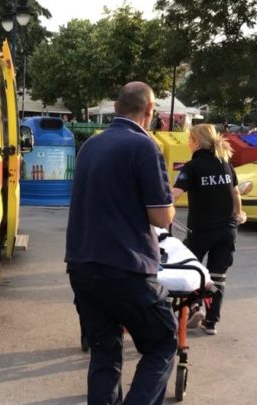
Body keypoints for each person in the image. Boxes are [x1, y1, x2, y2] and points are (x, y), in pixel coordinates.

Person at [66, 81, 177, 405]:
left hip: (82, 264)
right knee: (162, 343)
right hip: (125, 266)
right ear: (150, 110)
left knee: (104, 353)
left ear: (116, 107)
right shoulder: (143, 146)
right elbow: (161, 217)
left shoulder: (90, 146)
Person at [172, 124, 245, 336]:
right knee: (218, 275)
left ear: (195, 142)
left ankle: (195, 307)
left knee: (189, 269)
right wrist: (239, 214)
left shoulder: (192, 167)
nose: (188, 143)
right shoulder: (225, 163)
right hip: (227, 230)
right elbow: (236, 193)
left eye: (189, 139)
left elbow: (175, 194)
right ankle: (211, 322)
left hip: (202, 230)